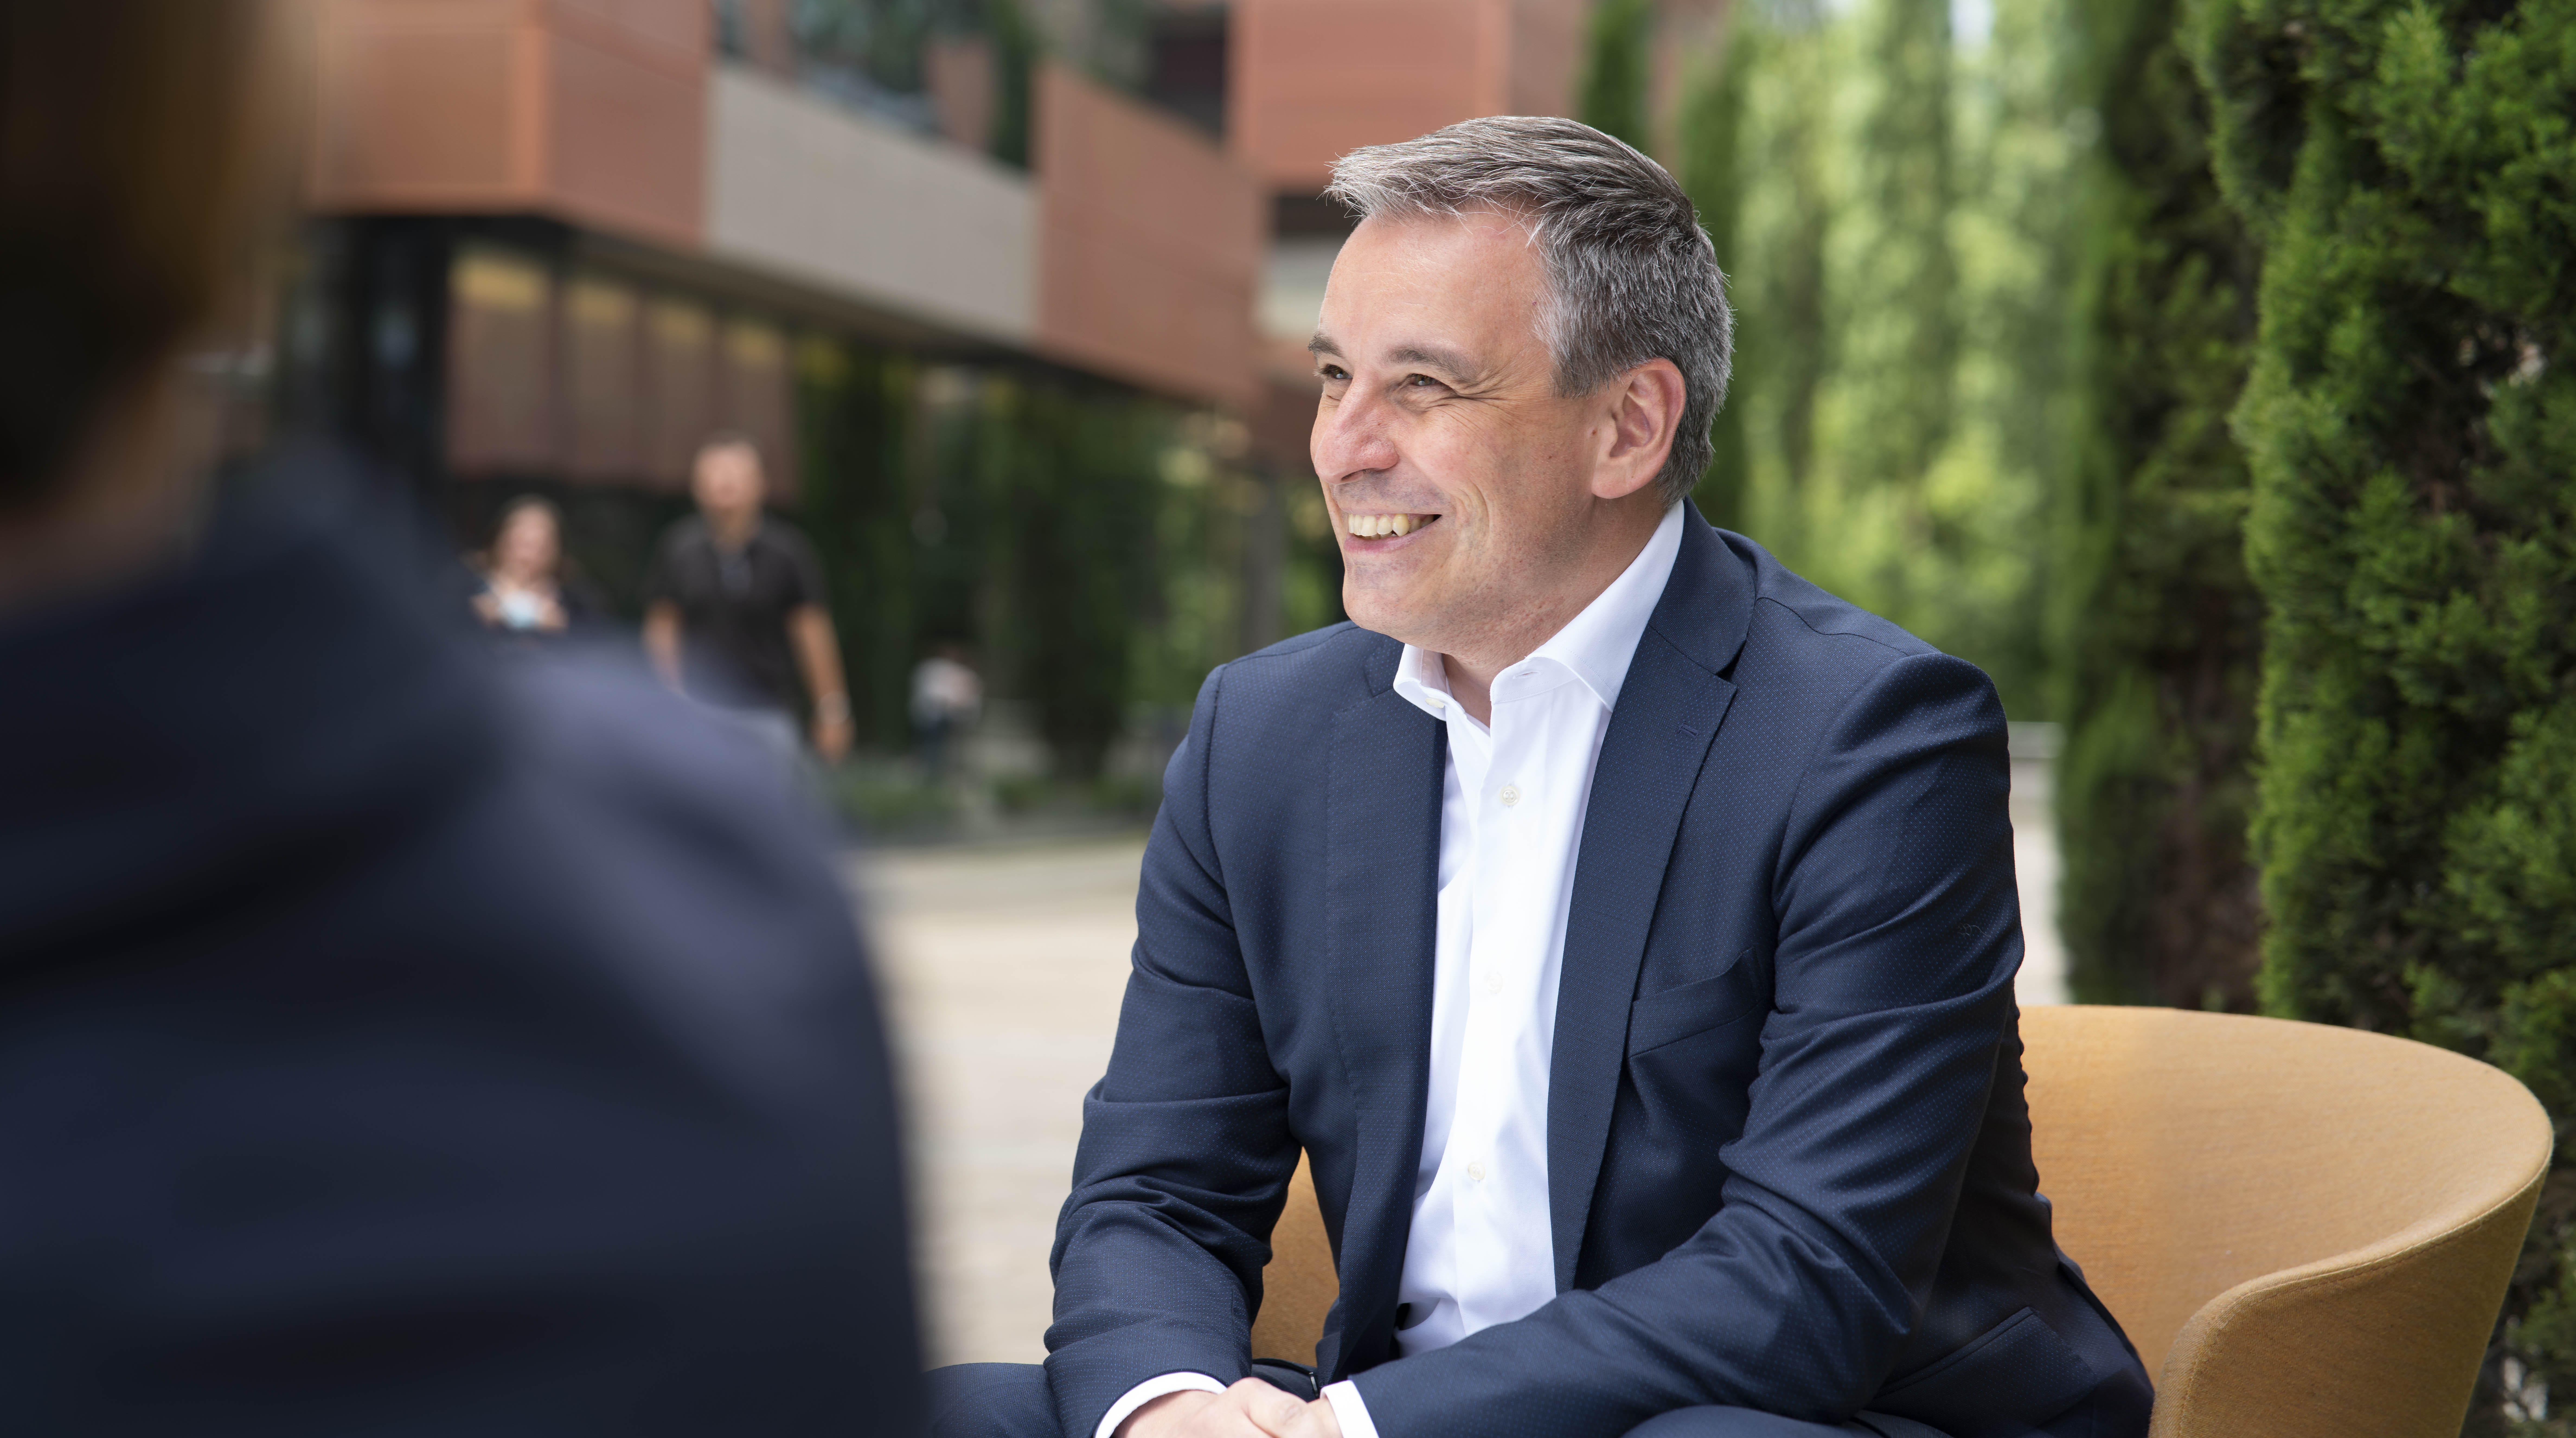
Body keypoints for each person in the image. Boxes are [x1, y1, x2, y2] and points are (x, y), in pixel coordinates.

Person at [929, 118, 2150, 1438]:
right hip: (1390, 1409)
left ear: (1627, 427)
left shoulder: (1868, 737)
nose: (1342, 446)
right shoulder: (1260, 734)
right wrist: (1168, 1412)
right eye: (1334, 376)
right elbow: (1156, 1193)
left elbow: (1806, 1279)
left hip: (1803, 1412)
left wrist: (1351, 1430)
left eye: (1423, 388)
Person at [0, 3, 922, 1430]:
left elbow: (800, 628)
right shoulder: (707, 961)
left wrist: (827, 703)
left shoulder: (765, 611)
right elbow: (662, 633)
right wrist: (676, 717)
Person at [642, 436, 854, 763]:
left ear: (761, 485)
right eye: (715, 474)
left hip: (766, 712)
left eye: (736, 473)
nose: (725, 483)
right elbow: (663, 628)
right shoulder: (679, 549)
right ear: (697, 486)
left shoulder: (788, 553)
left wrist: (832, 711)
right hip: (698, 711)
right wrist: (667, 700)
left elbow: (812, 632)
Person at [467, 494, 596, 644]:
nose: (527, 556)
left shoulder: (577, 600)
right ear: (498, 541)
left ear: (558, 551)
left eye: (541, 547)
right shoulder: (465, 588)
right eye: (519, 543)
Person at [911, 642, 983, 781]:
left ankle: (935, 772)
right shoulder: (936, 669)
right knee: (933, 744)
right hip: (935, 714)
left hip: (946, 715)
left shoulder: (942, 670)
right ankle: (932, 772)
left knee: (939, 745)